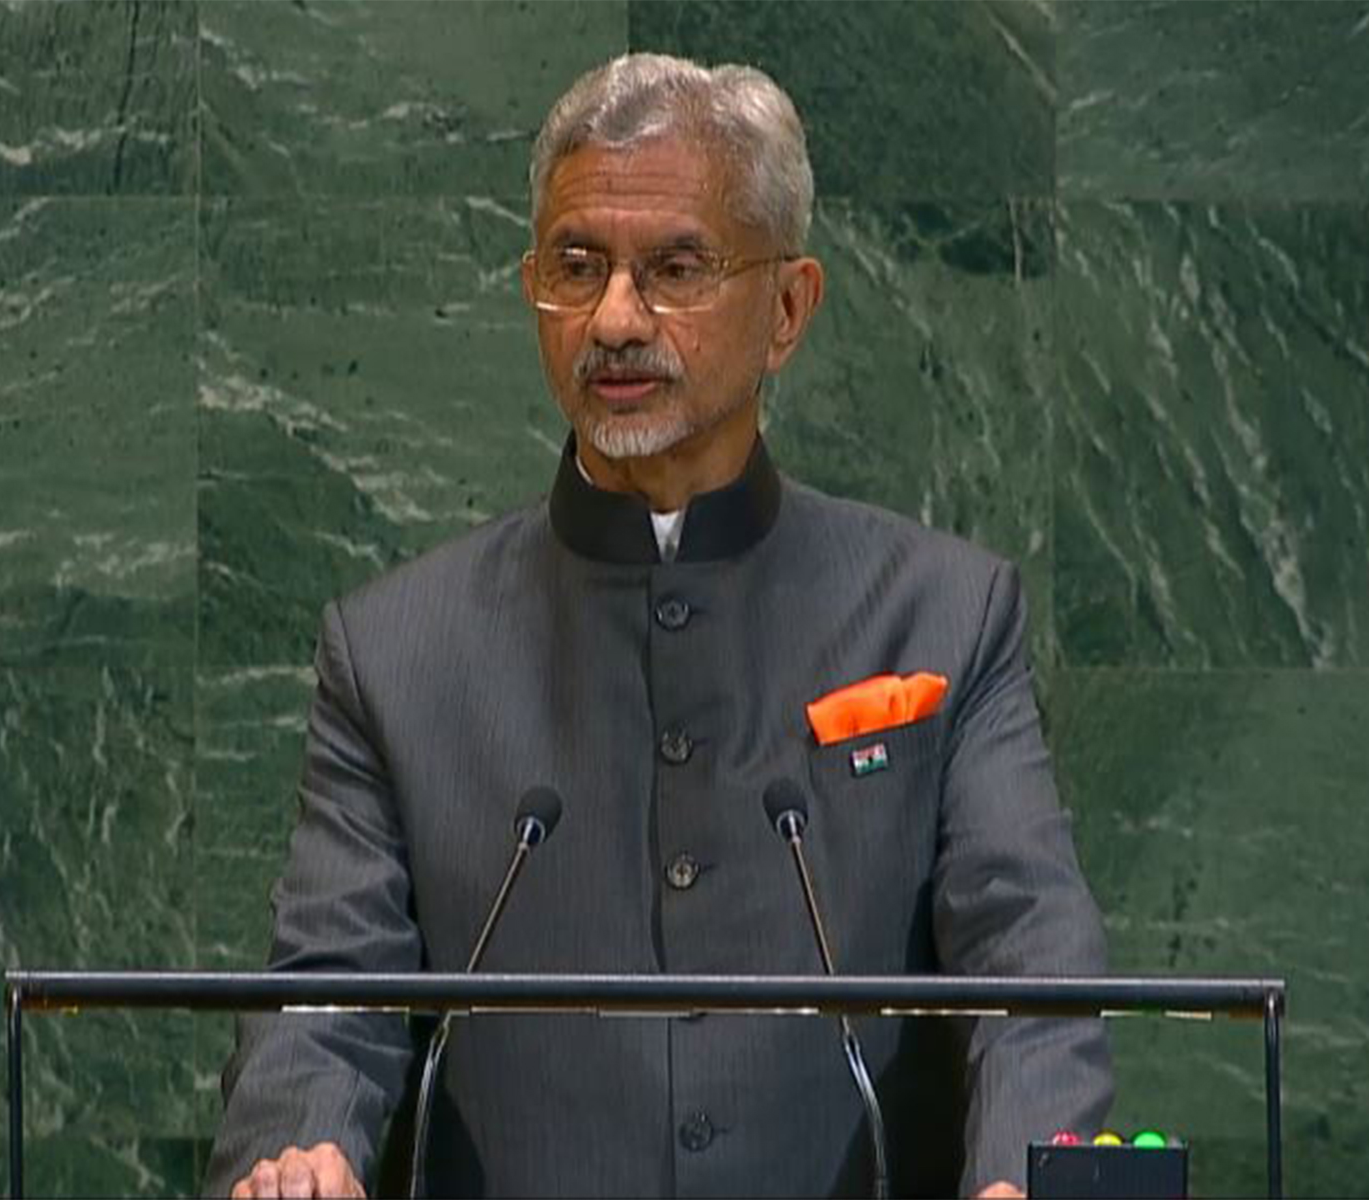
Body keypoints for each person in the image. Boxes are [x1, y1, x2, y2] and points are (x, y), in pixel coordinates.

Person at [207, 53, 1112, 1200]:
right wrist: (306, 1151)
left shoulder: (943, 612)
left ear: (786, 310)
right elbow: (328, 996)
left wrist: (1021, 1176)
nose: (614, 318)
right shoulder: (393, 654)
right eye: (574, 267)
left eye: (675, 267)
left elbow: (1030, 969)